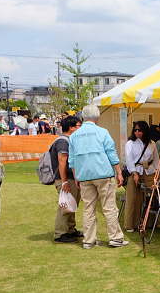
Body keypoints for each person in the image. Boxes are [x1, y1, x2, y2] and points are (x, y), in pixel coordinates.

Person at [68, 105, 128, 249]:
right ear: (97, 117)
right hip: (103, 174)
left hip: (84, 176)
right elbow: (111, 153)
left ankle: (89, 240)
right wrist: (119, 172)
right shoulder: (102, 132)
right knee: (109, 207)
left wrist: (76, 177)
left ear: (83, 117)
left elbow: (72, 160)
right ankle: (115, 238)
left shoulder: (74, 136)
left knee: (88, 208)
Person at [124, 121, 159, 232]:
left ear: (145, 131)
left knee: (152, 197)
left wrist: (157, 172)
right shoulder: (130, 143)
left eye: (140, 130)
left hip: (149, 171)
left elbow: (156, 159)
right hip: (135, 171)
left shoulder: (152, 143)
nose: (137, 132)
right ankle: (130, 224)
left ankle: (150, 222)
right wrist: (134, 173)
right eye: (135, 130)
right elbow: (129, 159)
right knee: (133, 198)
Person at [51, 115, 82, 243]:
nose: (80, 128)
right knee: (65, 205)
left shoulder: (68, 140)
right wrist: (64, 181)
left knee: (71, 204)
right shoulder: (63, 141)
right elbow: (62, 161)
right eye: (79, 126)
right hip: (65, 179)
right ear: (71, 127)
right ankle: (60, 233)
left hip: (70, 178)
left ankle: (70, 229)